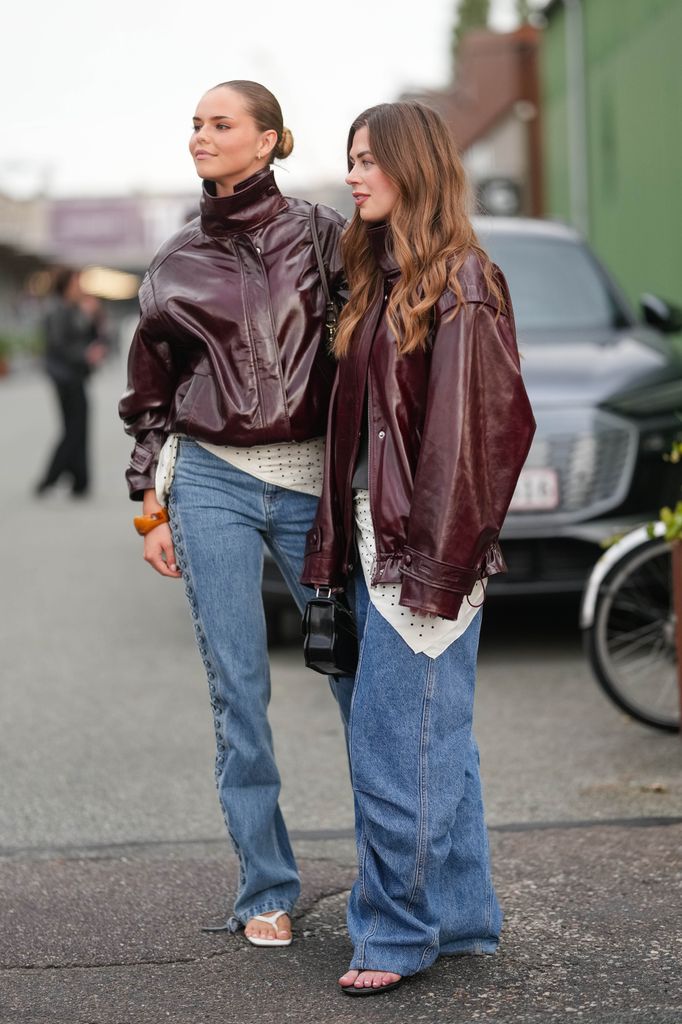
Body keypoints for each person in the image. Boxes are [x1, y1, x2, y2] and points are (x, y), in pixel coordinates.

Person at [301, 102, 536, 995]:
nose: (354, 174)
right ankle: (465, 918)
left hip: (418, 552)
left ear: (414, 166)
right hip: (374, 538)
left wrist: (436, 565)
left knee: (396, 745)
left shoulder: (462, 281)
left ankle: (396, 933)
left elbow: (481, 437)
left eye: (369, 160)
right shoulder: (383, 278)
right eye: (350, 158)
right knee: (437, 738)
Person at [118, 80, 346, 946]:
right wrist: (152, 505)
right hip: (208, 481)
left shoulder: (324, 236)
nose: (202, 136)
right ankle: (266, 888)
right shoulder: (174, 261)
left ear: (270, 141)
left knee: (356, 681)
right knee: (238, 691)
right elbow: (151, 398)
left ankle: (396, 885)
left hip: (311, 485)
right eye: (195, 124)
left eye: (221, 124)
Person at [35, 268, 108, 497]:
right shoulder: (57, 309)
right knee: (74, 429)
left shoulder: (76, 309)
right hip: (64, 376)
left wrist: (93, 316)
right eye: (77, 283)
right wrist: (85, 355)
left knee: (78, 426)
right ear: (67, 285)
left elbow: (91, 337)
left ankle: (80, 481)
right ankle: (50, 478)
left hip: (75, 375)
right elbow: (58, 345)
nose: (81, 288)